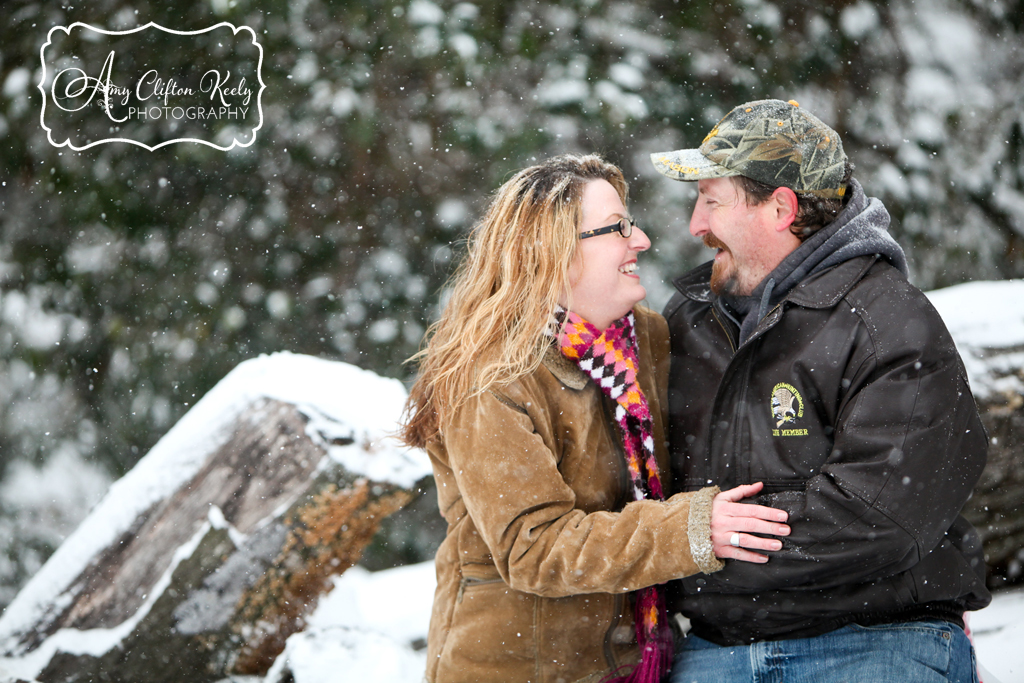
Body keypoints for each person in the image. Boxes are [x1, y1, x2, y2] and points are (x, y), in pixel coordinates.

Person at [400, 154, 790, 683]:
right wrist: (692, 528)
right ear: (553, 252)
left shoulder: (648, 341)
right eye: (618, 228)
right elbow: (535, 547)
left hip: (633, 663)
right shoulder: (492, 377)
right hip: (518, 670)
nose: (642, 240)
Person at [650, 99, 992, 683]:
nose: (694, 225)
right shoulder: (686, 324)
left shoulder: (888, 322)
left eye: (711, 200)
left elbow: (881, 519)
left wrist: (695, 549)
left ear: (780, 207)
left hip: (876, 642)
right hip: (715, 650)